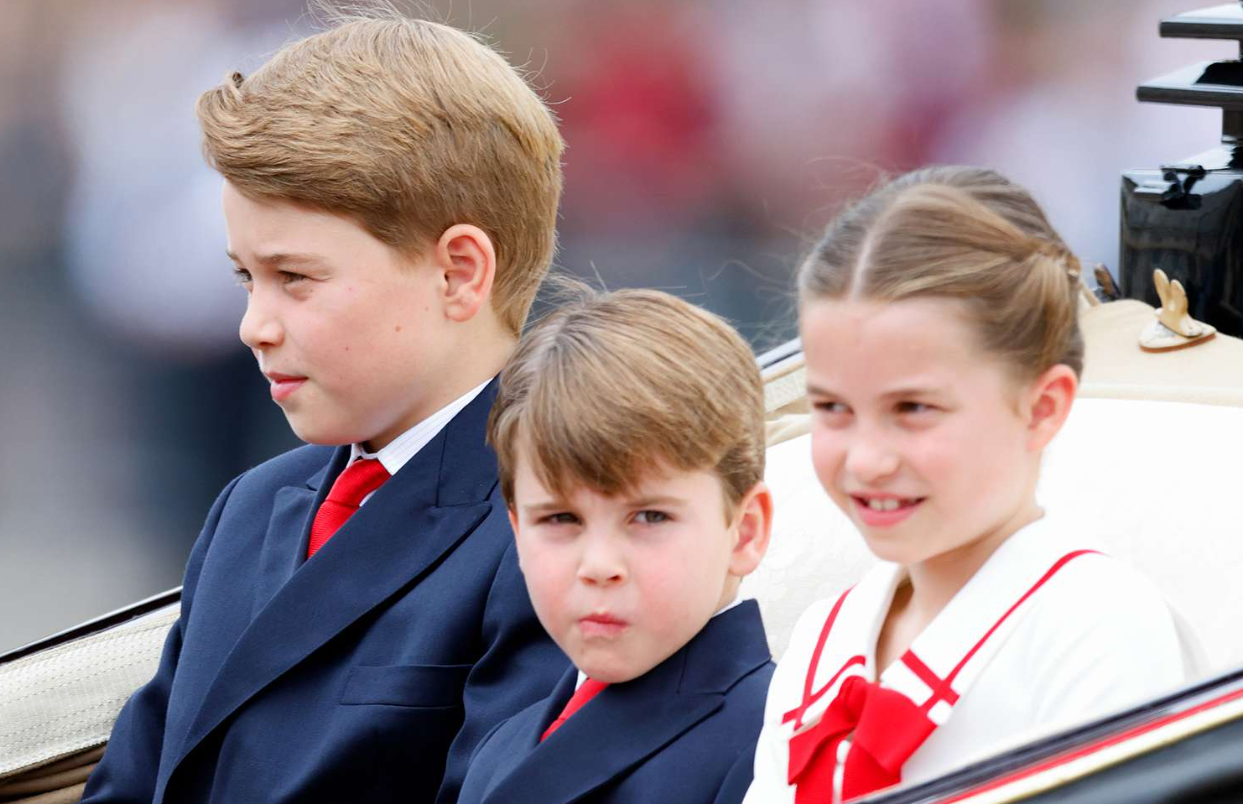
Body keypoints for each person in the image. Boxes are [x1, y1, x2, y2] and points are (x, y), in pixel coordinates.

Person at [81, 12, 569, 804]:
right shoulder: (252, 508)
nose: (253, 326)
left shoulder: (557, 526)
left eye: (295, 279)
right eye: (246, 278)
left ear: (457, 273)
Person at [745, 166, 1203, 804]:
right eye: (832, 408)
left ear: (1040, 408)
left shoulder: (1100, 631)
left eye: (913, 408)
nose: (867, 461)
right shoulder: (822, 639)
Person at [457, 288, 776, 804]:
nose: (599, 565)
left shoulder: (776, 751)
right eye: (560, 518)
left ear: (745, 531)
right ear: (516, 531)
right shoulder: (499, 746)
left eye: (649, 517)